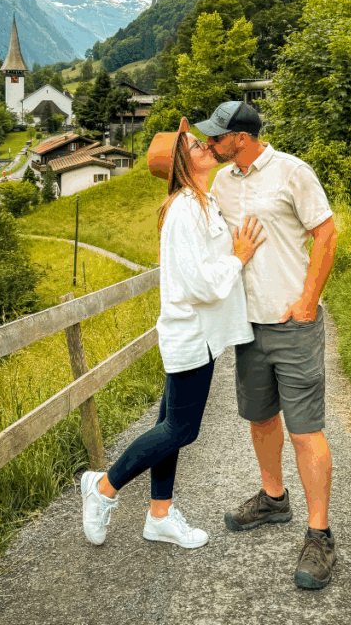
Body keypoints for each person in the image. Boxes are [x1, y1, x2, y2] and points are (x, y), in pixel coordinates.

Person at [80, 117, 264, 550]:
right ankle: (103, 488)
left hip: (201, 334)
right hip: (190, 334)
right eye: (194, 144)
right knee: (181, 429)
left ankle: (159, 516)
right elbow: (200, 284)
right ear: (184, 162)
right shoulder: (184, 210)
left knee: (169, 423)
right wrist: (238, 258)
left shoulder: (204, 202)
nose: (204, 145)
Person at [197, 100, 338, 590]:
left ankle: (319, 535)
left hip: (292, 324)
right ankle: (274, 499)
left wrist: (307, 301)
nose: (210, 143)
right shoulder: (221, 182)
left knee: (304, 430)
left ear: (242, 136)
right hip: (247, 326)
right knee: (259, 417)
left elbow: (326, 233)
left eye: (217, 136)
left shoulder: (292, 172)